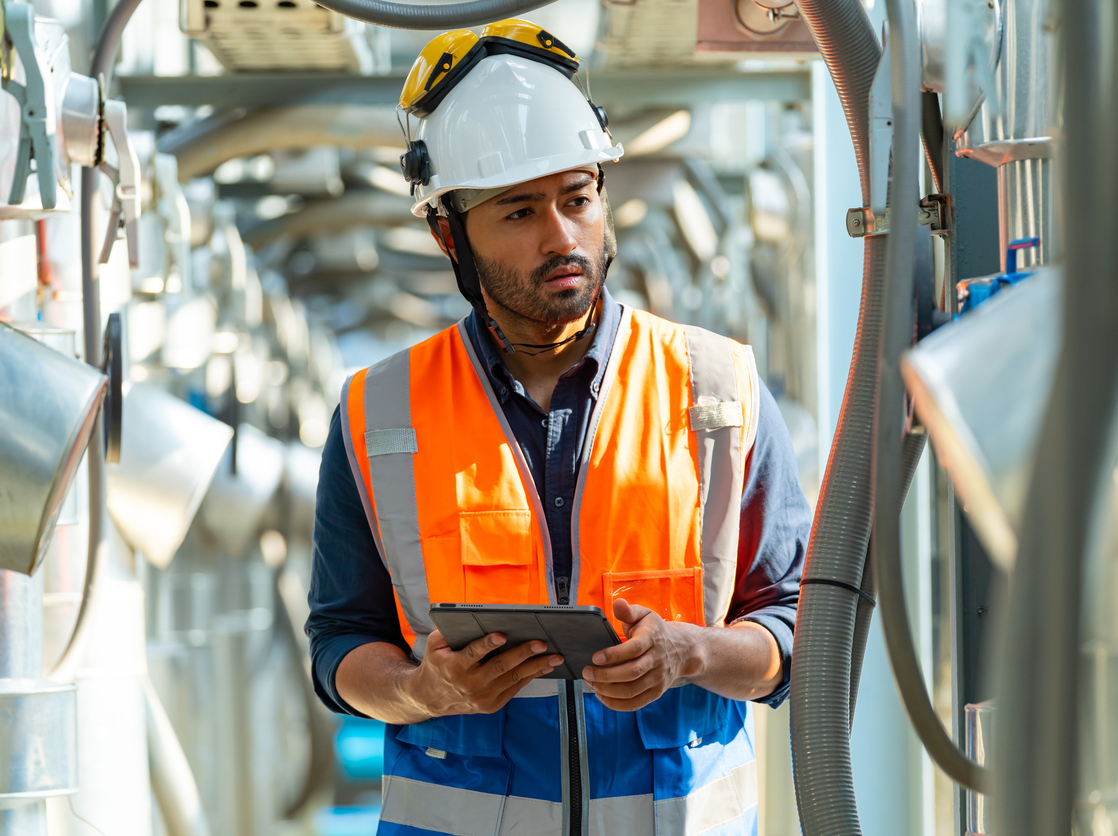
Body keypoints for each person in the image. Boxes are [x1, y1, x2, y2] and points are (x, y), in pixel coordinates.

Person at [306, 19, 809, 836]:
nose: (562, 236)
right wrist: (422, 692)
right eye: (518, 211)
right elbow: (340, 645)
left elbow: (795, 629)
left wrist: (693, 653)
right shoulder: (376, 411)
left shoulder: (719, 390)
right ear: (448, 235)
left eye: (578, 198)